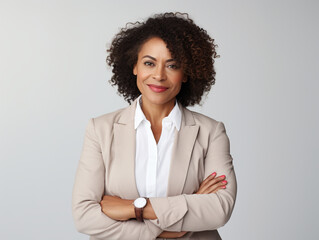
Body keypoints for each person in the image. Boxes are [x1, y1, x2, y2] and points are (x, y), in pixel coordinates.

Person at [72, 12, 237, 240]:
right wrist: (173, 229)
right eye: (149, 63)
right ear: (134, 67)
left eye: (172, 65)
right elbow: (84, 216)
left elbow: (219, 209)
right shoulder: (100, 129)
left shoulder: (211, 132)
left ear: (186, 74)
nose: (158, 75)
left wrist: (135, 208)